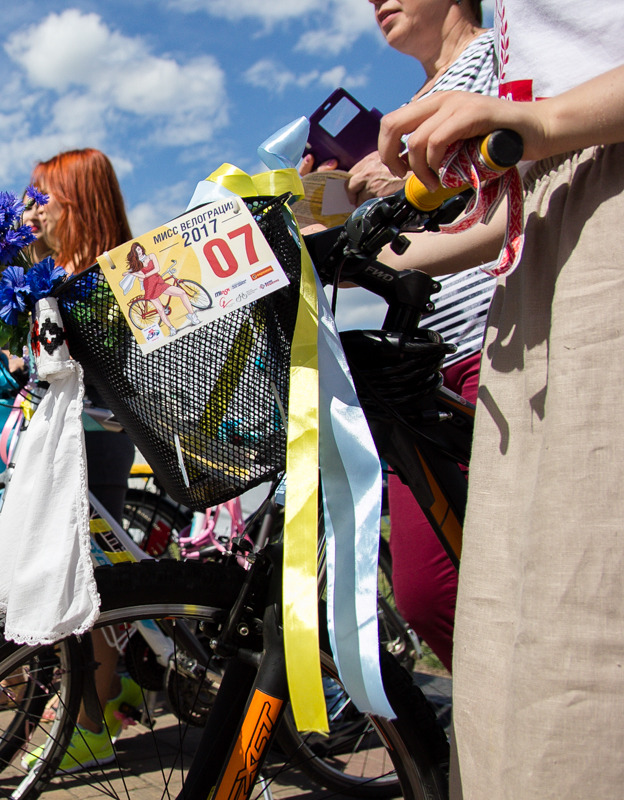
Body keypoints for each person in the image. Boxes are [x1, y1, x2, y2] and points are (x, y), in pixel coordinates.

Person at [374, 3, 624, 796]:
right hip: (539, 272)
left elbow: (545, 138)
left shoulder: (495, 60)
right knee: (516, 632)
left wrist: (540, 121)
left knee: (582, 619)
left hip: (586, 267)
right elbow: (515, 207)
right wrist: (367, 251)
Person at [305, 0, 497, 673]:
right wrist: (331, 199)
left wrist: (394, 212)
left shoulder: (497, 60)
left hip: (495, 343)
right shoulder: (411, 105)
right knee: (425, 591)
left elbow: (514, 201)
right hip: (429, 364)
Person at [21, 148, 141, 770]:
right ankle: (105, 696)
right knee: (80, 572)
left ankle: (90, 721)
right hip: (75, 430)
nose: (31, 210)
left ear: (77, 203)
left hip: (94, 434)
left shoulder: (104, 275)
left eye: (43, 198)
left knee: (85, 578)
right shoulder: (67, 272)